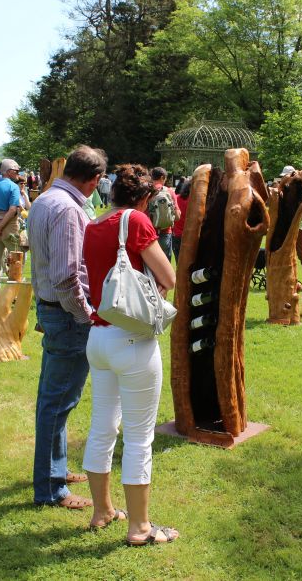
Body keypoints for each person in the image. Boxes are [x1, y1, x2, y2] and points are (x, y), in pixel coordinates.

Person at [81, 164, 179, 545]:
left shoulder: (93, 224)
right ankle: (139, 527)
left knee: (101, 425)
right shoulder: (135, 221)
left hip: (98, 335)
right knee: (139, 437)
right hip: (132, 338)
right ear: (143, 198)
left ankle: (102, 510)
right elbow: (168, 277)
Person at [28, 145, 107, 509]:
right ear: (92, 179)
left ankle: (55, 471)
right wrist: (85, 314)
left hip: (52, 310)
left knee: (55, 400)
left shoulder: (46, 199)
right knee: (57, 403)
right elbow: (66, 278)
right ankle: (50, 489)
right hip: (66, 314)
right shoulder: (68, 209)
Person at [147, 167, 180, 262]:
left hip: (149, 233)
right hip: (165, 233)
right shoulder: (169, 191)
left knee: (149, 265)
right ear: (162, 177)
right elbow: (177, 217)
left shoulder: (147, 190)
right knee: (165, 264)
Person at [172, 180, 190, 261]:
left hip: (176, 234)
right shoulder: (194, 202)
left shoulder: (176, 198)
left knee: (178, 261)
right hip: (189, 236)